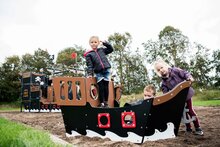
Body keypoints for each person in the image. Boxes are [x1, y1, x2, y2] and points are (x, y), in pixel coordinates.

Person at [153, 59, 204, 136]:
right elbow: (166, 93)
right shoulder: (163, 83)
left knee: (189, 110)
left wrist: (189, 78)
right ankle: (188, 128)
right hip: (177, 98)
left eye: (162, 67)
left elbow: (185, 74)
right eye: (158, 70)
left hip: (186, 94)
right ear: (158, 72)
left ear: (166, 66)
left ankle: (198, 127)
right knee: (183, 113)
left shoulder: (175, 71)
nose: (161, 70)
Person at [84, 36, 113, 107]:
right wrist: (90, 73)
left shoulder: (101, 50)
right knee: (101, 87)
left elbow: (111, 49)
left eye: (95, 42)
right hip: (98, 72)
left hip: (106, 69)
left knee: (106, 86)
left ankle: (106, 102)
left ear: (98, 43)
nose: (93, 44)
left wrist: (105, 43)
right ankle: (102, 102)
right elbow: (89, 65)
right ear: (89, 43)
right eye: (92, 42)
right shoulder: (89, 54)